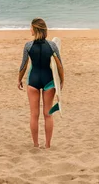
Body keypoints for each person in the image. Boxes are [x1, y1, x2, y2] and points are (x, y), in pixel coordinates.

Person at [18, 18, 63, 149]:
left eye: (31, 27)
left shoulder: (28, 46)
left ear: (36, 29)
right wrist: (61, 80)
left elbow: (23, 66)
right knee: (48, 114)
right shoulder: (52, 46)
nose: (30, 30)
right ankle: (48, 145)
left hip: (33, 81)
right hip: (49, 80)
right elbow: (60, 65)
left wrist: (19, 79)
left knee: (34, 115)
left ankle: (36, 144)